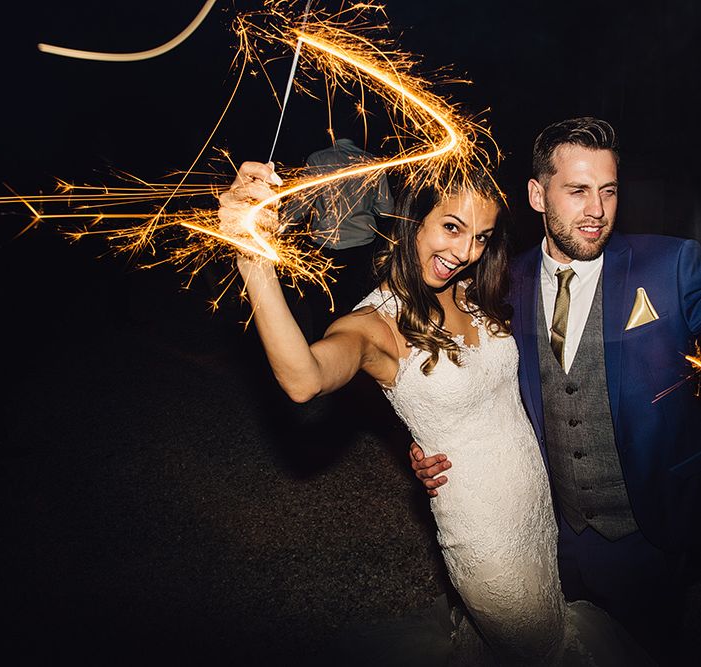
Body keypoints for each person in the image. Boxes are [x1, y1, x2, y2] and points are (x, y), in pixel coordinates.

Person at [220, 159, 649, 665]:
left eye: (482, 238)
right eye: (451, 227)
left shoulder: (473, 293)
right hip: (482, 531)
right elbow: (303, 379)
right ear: (411, 221)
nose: (465, 252)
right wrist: (254, 261)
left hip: (533, 506)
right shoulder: (375, 325)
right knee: (538, 648)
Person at [410, 117, 701, 661]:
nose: (597, 210)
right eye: (577, 191)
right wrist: (433, 436)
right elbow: (467, 378)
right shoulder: (499, 284)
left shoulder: (673, 265)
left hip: (649, 535)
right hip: (547, 534)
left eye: (609, 191)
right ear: (537, 195)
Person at [284, 137, 394, 340]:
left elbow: (301, 205)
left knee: (322, 311)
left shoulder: (318, 158)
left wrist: (279, 227)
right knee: (357, 310)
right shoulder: (371, 162)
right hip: (362, 248)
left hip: (325, 248)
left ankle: (324, 357)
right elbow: (386, 211)